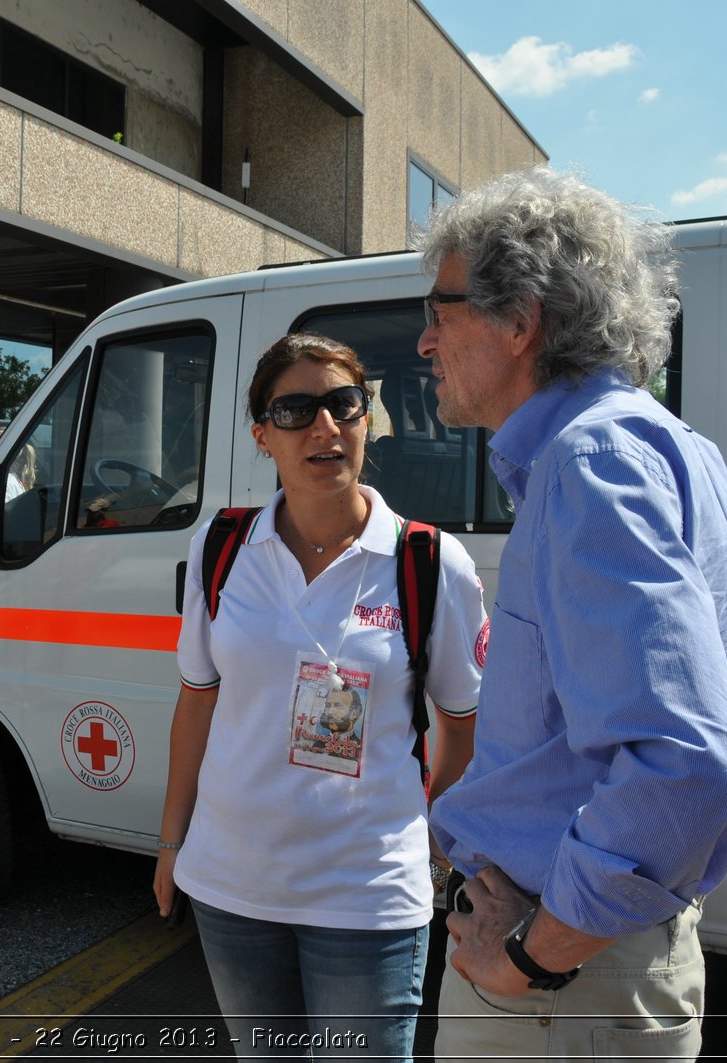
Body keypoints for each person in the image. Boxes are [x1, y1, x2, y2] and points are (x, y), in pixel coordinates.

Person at [416, 168, 727, 1060]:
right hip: (597, 962)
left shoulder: (590, 464)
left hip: (562, 989)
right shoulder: (670, 445)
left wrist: (536, 957)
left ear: (520, 319)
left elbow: (689, 768)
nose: (424, 341)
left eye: (440, 308)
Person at [153, 333, 489, 1062]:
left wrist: (431, 854)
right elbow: (197, 704)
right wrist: (172, 844)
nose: (324, 427)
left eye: (344, 405)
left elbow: (463, 730)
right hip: (232, 890)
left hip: (367, 900)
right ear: (262, 434)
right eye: (296, 409)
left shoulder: (430, 561)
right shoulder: (222, 545)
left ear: (369, 419)